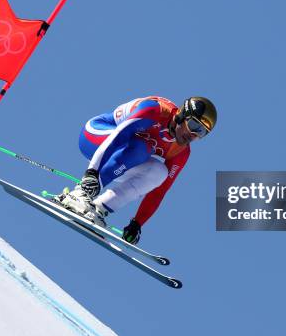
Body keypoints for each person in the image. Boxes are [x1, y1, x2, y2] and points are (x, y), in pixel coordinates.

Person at [57, 96, 217, 244]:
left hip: (122, 158)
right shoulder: (156, 111)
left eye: (202, 132)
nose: (194, 135)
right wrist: (91, 174)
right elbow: (119, 136)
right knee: (142, 147)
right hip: (96, 136)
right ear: (183, 115)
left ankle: (100, 208)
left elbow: (159, 191)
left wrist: (137, 223)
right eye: (194, 125)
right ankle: (80, 194)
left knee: (159, 173)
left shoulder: (180, 151)